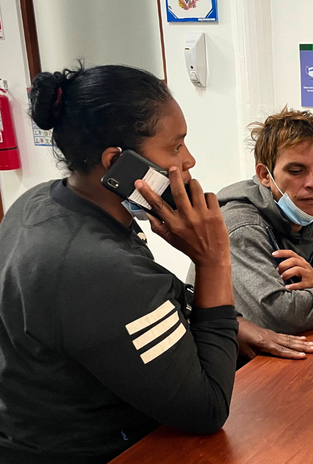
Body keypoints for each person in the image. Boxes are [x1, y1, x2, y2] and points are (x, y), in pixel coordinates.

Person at [0, 64, 296, 463]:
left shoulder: (42, 200)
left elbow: (142, 298)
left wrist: (234, 324)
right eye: (175, 147)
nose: (188, 160)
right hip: (105, 450)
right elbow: (207, 410)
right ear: (116, 164)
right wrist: (213, 261)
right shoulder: (93, 265)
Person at [188, 107, 313, 336]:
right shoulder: (241, 227)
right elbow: (282, 313)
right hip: (240, 362)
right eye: (296, 171)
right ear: (265, 176)